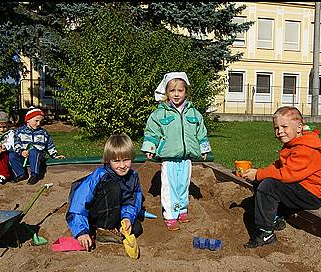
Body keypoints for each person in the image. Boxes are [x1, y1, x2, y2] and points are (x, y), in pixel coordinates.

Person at [242, 106, 321, 248]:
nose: (279, 131)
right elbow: (278, 166)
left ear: (299, 128)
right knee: (264, 181)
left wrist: (258, 174)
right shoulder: (292, 144)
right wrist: (259, 174)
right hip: (299, 188)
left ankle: (266, 233)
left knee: (269, 186)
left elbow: (287, 175)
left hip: (311, 194)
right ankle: (275, 216)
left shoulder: (305, 149)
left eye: (284, 126)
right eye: (276, 128)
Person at [141, 72, 212, 231]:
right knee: (169, 187)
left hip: (186, 158)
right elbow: (152, 132)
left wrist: (204, 148)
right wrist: (150, 148)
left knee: (183, 185)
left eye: (180, 90)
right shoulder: (160, 113)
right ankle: (170, 215)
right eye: (172, 91)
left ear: (185, 91)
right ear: (167, 93)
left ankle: (182, 210)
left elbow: (201, 132)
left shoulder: (193, 113)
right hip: (169, 158)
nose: (176, 94)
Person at [66, 133, 143, 252]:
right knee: (113, 186)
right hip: (96, 213)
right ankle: (103, 229)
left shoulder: (133, 176)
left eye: (126, 160)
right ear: (108, 160)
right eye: (116, 161)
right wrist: (81, 232)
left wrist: (127, 217)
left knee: (136, 228)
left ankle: (113, 229)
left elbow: (133, 201)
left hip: (114, 212)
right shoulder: (101, 175)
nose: (122, 165)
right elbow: (79, 204)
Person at [9, 107, 65, 185]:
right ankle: (20, 174)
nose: (38, 123)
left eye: (40, 121)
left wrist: (54, 155)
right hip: (24, 155)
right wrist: (21, 151)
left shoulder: (43, 132)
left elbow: (49, 144)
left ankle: (34, 174)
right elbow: (16, 143)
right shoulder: (19, 132)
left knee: (34, 150)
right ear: (28, 120)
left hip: (38, 155)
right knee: (12, 155)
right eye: (36, 121)